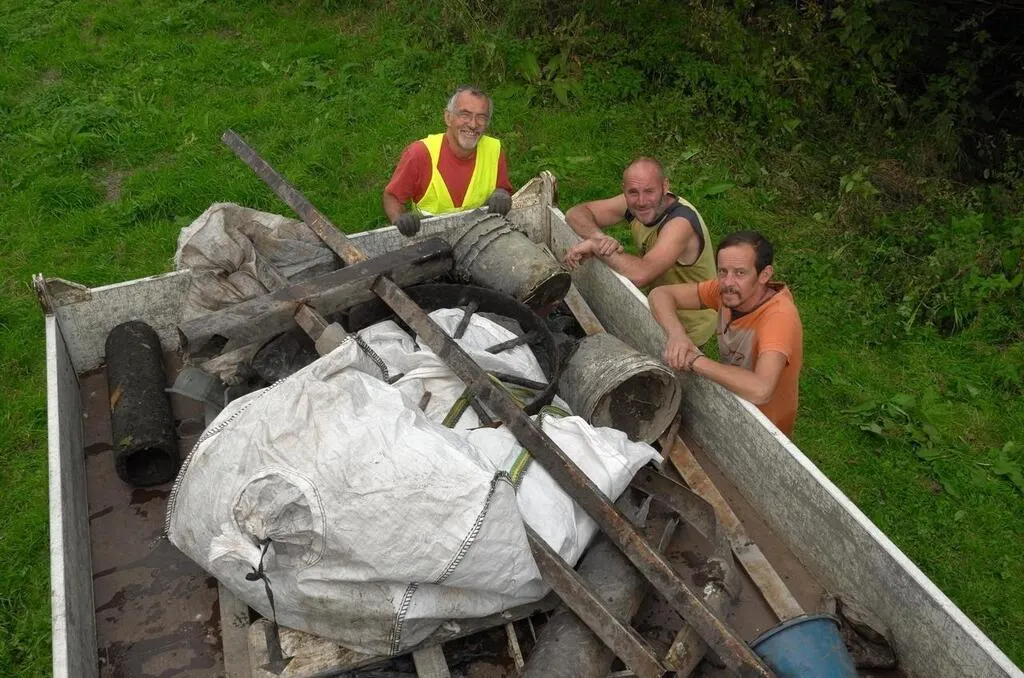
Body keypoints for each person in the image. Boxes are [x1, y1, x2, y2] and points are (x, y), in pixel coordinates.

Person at [649, 231, 803, 436]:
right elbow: (660, 294)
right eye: (722, 271)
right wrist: (678, 335)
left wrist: (695, 360)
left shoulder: (779, 318)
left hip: (763, 429)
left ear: (764, 275)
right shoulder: (726, 292)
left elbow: (761, 389)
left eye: (740, 273)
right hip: (731, 403)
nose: (728, 282)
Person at [562, 157, 716, 346]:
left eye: (649, 191)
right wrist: (600, 239)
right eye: (633, 192)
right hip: (659, 305)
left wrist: (596, 247)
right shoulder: (635, 203)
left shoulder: (680, 223)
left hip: (687, 325)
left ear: (665, 187)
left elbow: (641, 274)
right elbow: (576, 213)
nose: (642, 201)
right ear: (625, 190)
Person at [383, 85, 514, 236]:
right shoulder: (420, 154)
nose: (473, 124)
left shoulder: (494, 150)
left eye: (481, 117)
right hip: (428, 239)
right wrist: (400, 218)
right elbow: (392, 197)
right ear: (448, 118)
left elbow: (503, 189)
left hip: (481, 237)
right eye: (465, 115)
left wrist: (502, 193)